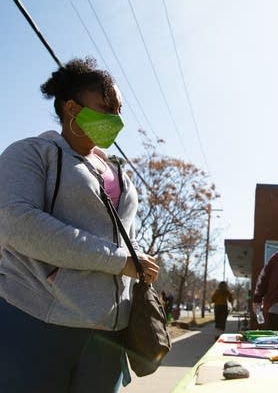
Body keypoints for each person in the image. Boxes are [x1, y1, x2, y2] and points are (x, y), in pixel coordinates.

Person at [0, 57, 160, 392]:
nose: (116, 119)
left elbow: (116, 238)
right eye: (106, 107)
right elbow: (15, 222)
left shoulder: (120, 175)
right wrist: (119, 261)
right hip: (36, 323)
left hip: (109, 333)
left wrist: (136, 263)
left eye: (119, 109)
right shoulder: (30, 153)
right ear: (72, 109)